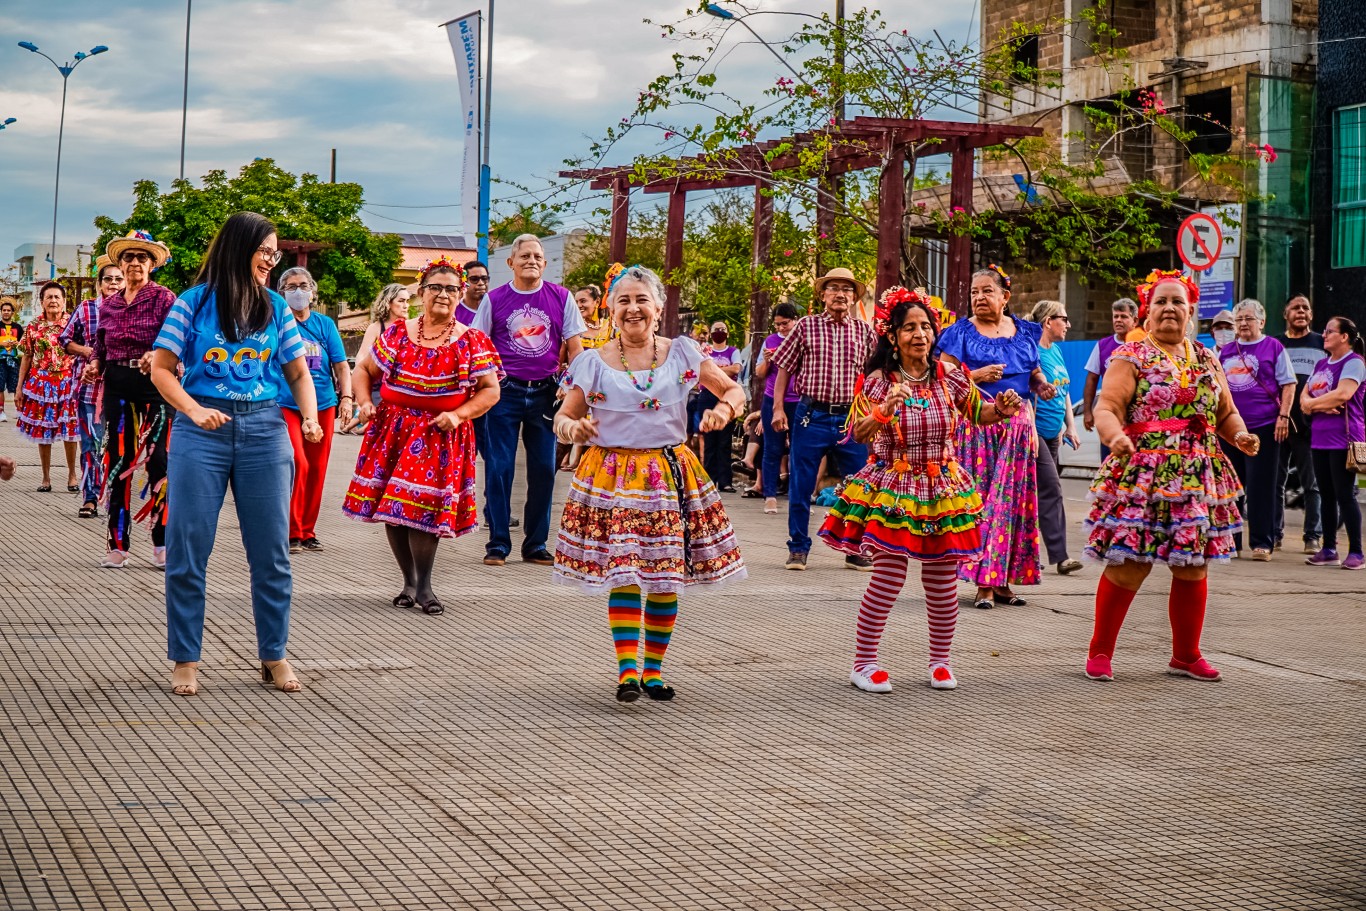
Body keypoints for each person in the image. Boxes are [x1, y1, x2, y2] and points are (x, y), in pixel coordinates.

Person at [553, 265, 746, 703]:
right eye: (623, 301)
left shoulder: (682, 352)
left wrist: (724, 412)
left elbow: (734, 391)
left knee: (664, 575)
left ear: (658, 308)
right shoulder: (592, 361)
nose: (633, 308)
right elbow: (563, 418)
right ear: (610, 310)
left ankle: (654, 671)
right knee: (623, 571)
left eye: (642, 300)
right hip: (612, 476)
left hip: (669, 474)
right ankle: (626, 671)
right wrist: (574, 430)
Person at [150, 212, 323, 697]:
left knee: (271, 553)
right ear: (237, 248)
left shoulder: (275, 307)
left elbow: (297, 373)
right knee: (188, 549)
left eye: (276, 253)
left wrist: (308, 417)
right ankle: (185, 658)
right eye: (264, 251)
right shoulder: (193, 302)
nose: (271, 260)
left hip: (266, 431)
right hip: (199, 433)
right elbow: (162, 369)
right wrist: (193, 409)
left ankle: (274, 654)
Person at [821, 288, 1023, 693]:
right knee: (888, 577)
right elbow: (858, 432)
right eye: (909, 328)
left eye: (926, 327)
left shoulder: (950, 376)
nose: (920, 334)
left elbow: (977, 414)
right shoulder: (879, 382)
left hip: (943, 489)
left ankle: (941, 663)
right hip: (894, 486)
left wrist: (1000, 408)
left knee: (942, 581)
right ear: (892, 337)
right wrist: (884, 410)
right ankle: (863, 663)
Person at [1084, 270, 1256, 684]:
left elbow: (1225, 412)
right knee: (1131, 562)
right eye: (1161, 302)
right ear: (1148, 310)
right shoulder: (1132, 355)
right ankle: (1101, 652)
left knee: (1194, 565)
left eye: (1177, 302)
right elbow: (1107, 405)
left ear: (1190, 310)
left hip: (1197, 475)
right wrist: (1115, 435)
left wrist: (1240, 435)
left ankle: (1186, 655)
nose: (1169, 309)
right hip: (1145, 472)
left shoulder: (1207, 357)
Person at [344, 257, 502, 613]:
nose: (443, 294)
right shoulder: (399, 332)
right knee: (394, 505)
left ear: (461, 294)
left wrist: (458, 414)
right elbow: (364, 371)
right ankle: (408, 582)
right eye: (435, 287)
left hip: (439, 432)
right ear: (421, 292)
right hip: (393, 429)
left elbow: (490, 391)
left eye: (450, 288)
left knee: (424, 508)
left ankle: (426, 586)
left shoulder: (471, 340)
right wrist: (365, 402)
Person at [937, 265, 1056, 610]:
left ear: (1005, 297)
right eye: (974, 292)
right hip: (978, 424)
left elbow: (1032, 373)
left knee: (1012, 504)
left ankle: (1001, 581)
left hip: (1017, 427)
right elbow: (943, 378)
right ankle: (983, 583)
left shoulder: (1024, 332)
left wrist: (1042, 385)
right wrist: (975, 374)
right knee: (983, 502)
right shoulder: (960, 333)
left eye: (987, 291)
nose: (979, 298)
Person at [473, 234, 587, 567]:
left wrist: (573, 384)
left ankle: (535, 544)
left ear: (545, 262)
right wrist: (487, 383)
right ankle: (497, 543)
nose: (531, 261)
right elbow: (480, 346)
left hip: (547, 392)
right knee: (499, 468)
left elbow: (576, 347)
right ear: (511, 262)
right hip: (504, 393)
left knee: (544, 470)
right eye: (524, 256)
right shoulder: (494, 299)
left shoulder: (561, 297)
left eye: (537, 256)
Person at [770, 268, 880, 571]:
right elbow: (783, 369)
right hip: (811, 415)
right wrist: (778, 408)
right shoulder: (805, 327)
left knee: (860, 486)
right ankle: (798, 547)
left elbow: (875, 375)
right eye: (833, 288)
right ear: (822, 295)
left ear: (854, 296)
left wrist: (877, 412)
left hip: (851, 419)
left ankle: (855, 548)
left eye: (847, 289)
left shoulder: (865, 331)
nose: (840, 294)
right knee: (801, 484)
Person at [86, 231, 177, 569]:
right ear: (120, 264)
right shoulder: (108, 303)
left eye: (142, 258)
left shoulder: (164, 298)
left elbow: (177, 338)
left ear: (152, 264)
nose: (135, 263)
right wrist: (94, 363)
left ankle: (163, 543)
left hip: (155, 387)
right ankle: (117, 544)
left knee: (159, 462)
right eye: (129, 258)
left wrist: (157, 353)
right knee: (118, 462)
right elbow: (100, 345)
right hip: (118, 388)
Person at [277, 267, 352, 554]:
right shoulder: (278, 323)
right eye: (291, 286)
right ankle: (291, 531)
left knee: (318, 469)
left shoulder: (325, 324)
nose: (298, 291)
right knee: (298, 463)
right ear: (282, 292)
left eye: (303, 285)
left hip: (323, 404)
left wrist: (346, 397)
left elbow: (341, 365)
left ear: (313, 290)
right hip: (287, 403)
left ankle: (308, 531)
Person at [1218, 299, 1295, 560]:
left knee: (1262, 486)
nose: (1243, 324)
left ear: (1261, 322)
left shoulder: (1273, 347)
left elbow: (1289, 384)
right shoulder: (1225, 351)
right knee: (1232, 486)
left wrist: (1283, 416)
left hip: (1264, 427)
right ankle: (1231, 541)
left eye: (1248, 319)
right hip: (1230, 429)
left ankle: (1263, 542)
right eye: (1238, 319)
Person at [1302, 316, 1366, 570]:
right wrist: (1316, 405)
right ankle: (1329, 549)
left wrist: (1313, 404)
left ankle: (1357, 552)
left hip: (1344, 438)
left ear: (1344, 337)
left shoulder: (1354, 362)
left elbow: (1343, 394)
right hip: (1319, 438)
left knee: (1345, 495)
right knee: (1326, 495)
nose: (1324, 335)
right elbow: (1304, 395)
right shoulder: (1320, 363)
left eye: (1330, 331)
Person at [60, 258, 121, 517]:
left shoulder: (133, 309)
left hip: (122, 390)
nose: (114, 284)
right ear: (99, 283)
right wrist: (88, 351)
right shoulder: (86, 309)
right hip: (89, 391)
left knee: (118, 446)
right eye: (109, 279)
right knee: (90, 444)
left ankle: (116, 496)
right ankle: (90, 497)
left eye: (119, 279)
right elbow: (65, 340)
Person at [1030, 299, 1083, 575]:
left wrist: (1070, 427)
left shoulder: (1057, 352)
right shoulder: (1032, 350)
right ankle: (1060, 557)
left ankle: (1031, 554)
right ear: (1049, 321)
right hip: (1032, 432)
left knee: (1037, 495)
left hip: (1053, 435)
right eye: (1064, 318)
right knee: (1051, 489)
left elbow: (1065, 392)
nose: (1068, 324)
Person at [14, 281, 79, 492]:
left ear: (64, 301)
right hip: (41, 385)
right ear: (42, 302)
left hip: (68, 384)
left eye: (56, 297)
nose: (53, 301)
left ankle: (72, 475)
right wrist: (19, 388)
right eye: (48, 297)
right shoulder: (33, 326)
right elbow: (27, 357)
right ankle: (46, 478)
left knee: (70, 431)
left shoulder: (74, 323)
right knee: (43, 431)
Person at [1276, 294, 1324, 554]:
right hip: (1279, 424)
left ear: (1312, 314)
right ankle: (1274, 534)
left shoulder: (1322, 343)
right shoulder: (1275, 344)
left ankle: (1312, 537)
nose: (1301, 311)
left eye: (1306, 307)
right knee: (1276, 482)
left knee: (1312, 484)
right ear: (1286, 314)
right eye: (1295, 308)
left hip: (1311, 425)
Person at [755, 302, 800, 514]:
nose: (781, 328)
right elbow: (760, 374)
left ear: (795, 320)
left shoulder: (803, 338)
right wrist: (766, 361)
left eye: (785, 323)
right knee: (772, 448)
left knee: (800, 450)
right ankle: (770, 495)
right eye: (778, 325)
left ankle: (797, 497)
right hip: (772, 399)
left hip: (799, 400)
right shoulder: (770, 341)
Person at [350, 283, 412, 431]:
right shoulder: (377, 327)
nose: (406, 305)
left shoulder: (411, 327)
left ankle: (355, 426)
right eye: (401, 301)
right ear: (389, 303)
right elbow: (362, 355)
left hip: (402, 387)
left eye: (407, 301)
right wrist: (359, 380)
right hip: (378, 387)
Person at [1082, 297, 1137, 461]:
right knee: (1109, 462)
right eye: (1116, 316)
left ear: (1135, 320)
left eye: (1124, 316)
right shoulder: (1102, 345)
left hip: (1136, 414)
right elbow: (1091, 379)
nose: (1118, 320)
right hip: (1111, 412)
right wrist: (1087, 412)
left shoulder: (1143, 344)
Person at [698, 320, 742, 493]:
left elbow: (736, 369)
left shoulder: (733, 351)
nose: (719, 332)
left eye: (723, 329)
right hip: (706, 396)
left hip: (727, 396)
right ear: (710, 333)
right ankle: (709, 481)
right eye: (716, 329)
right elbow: (698, 371)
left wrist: (713, 370)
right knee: (709, 441)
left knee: (725, 441)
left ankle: (725, 481)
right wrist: (724, 369)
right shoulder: (704, 351)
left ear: (727, 333)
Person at [0, 298, 25, 422]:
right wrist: (2, 343)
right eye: (4, 310)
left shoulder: (18, 327)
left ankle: (19, 411)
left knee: (16, 386)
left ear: (12, 312)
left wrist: (17, 343)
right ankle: (1, 411)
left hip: (14, 360)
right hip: (0, 360)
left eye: (8, 310)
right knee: (0, 386)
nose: (6, 312)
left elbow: (24, 343)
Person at [574, 283, 614, 350]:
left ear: (597, 302)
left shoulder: (610, 326)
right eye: (576, 302)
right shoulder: (575, 328)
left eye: (583, 301)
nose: (578, 305)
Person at [454, 259, 489, 326]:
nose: (481, 283)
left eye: (484, 278)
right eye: (474, 279)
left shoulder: (495, 309)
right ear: (464, 282)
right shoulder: (454, 312)